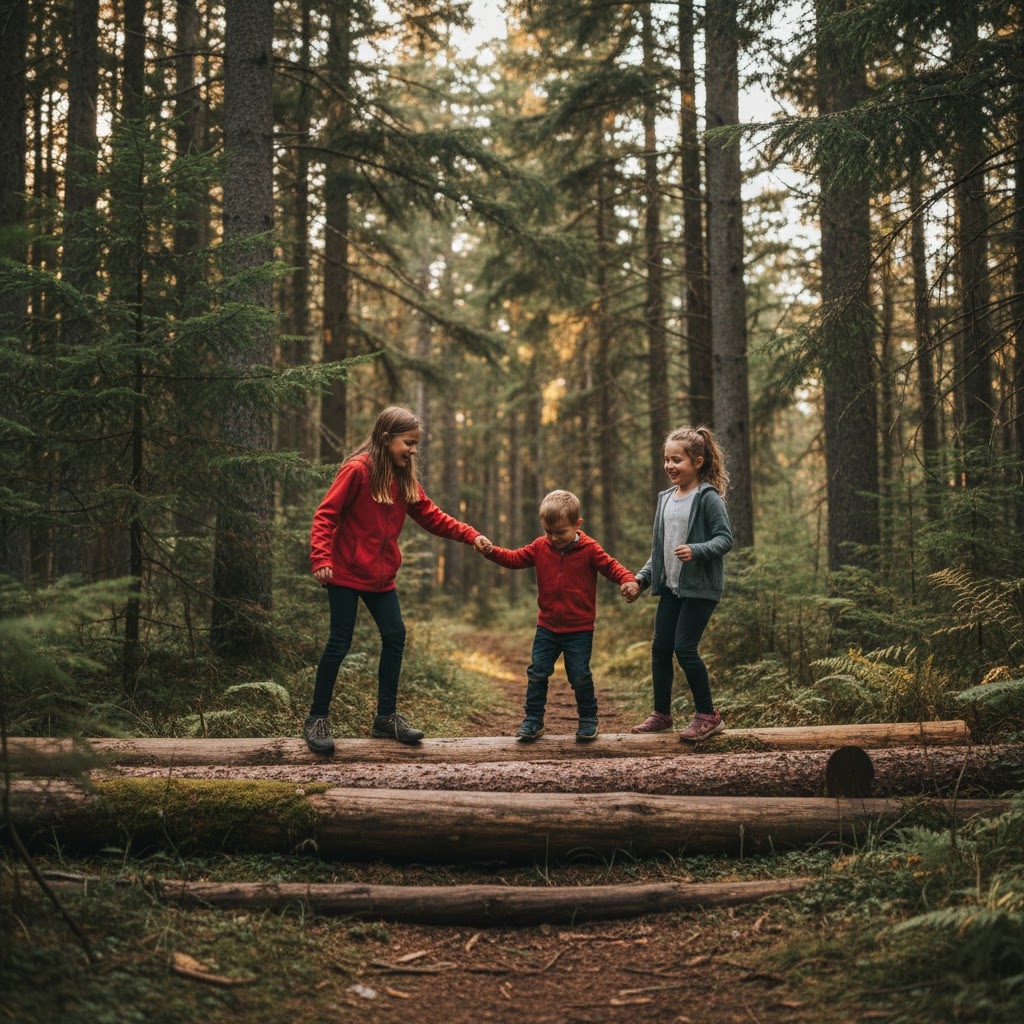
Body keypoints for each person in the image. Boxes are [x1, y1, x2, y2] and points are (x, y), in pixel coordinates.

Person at [305, 406, 492, 755]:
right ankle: (317, 717)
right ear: (386, 438)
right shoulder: (357, 470)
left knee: (395, 635)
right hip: (345, 571)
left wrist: (471, 535)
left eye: (416, 443)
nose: (413, 450)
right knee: (339, 642)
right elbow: (325, 515)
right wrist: (321, 559)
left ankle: (385, 718)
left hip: (381, 576)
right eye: (409, 442)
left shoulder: (404, 478)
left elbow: (433, 517)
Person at [485, 489, 637, 742]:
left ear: (577, 524)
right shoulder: (539, 546)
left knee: (579, 675)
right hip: (547, 627)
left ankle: (588, 719)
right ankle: (533, 719)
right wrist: (490, 551)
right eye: (548, 532)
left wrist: (629, 580)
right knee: (537, 672)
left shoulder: (589, 549)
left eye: (561, 532)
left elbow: (611, 566)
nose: (554, 538)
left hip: (579, 629)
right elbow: (513, 559)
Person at [627, 426, 733, 742]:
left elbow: (725, 539)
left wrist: (696, 550)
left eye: (678, 460)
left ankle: (709, 715)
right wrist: (641, 579)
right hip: (671, 586)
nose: (670, 466)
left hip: (700, 588)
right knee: (660, 648)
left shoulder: (708, 498)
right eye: (667, 460)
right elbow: (659, 549)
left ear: (697, 462)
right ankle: (661, 714)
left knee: (684, 648)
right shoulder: (666, 499)